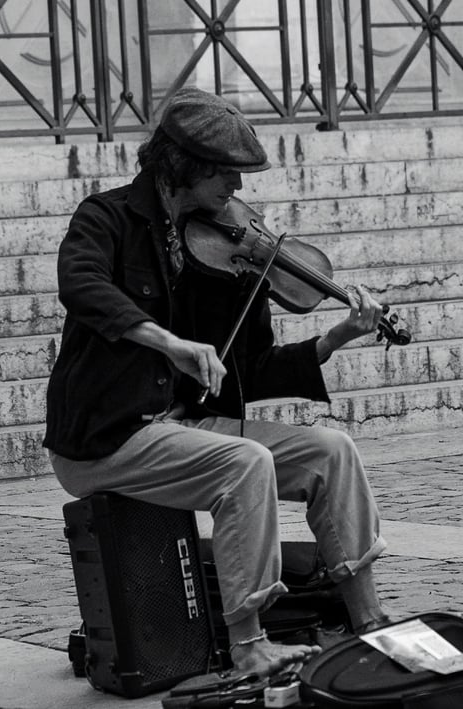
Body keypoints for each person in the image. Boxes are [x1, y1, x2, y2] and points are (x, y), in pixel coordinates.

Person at [44, 87, 389, 677]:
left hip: (186, 426)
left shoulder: (225, 253)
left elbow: (252, 366)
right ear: (185, 166)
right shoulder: (105, 218)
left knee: (332, 451)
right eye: (227, 173)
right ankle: (250, 643)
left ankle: (370, 623)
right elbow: (80, 285)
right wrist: (167, 341)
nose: (238, 188)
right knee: (245, 463)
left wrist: (335, 338)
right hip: (107, 437)